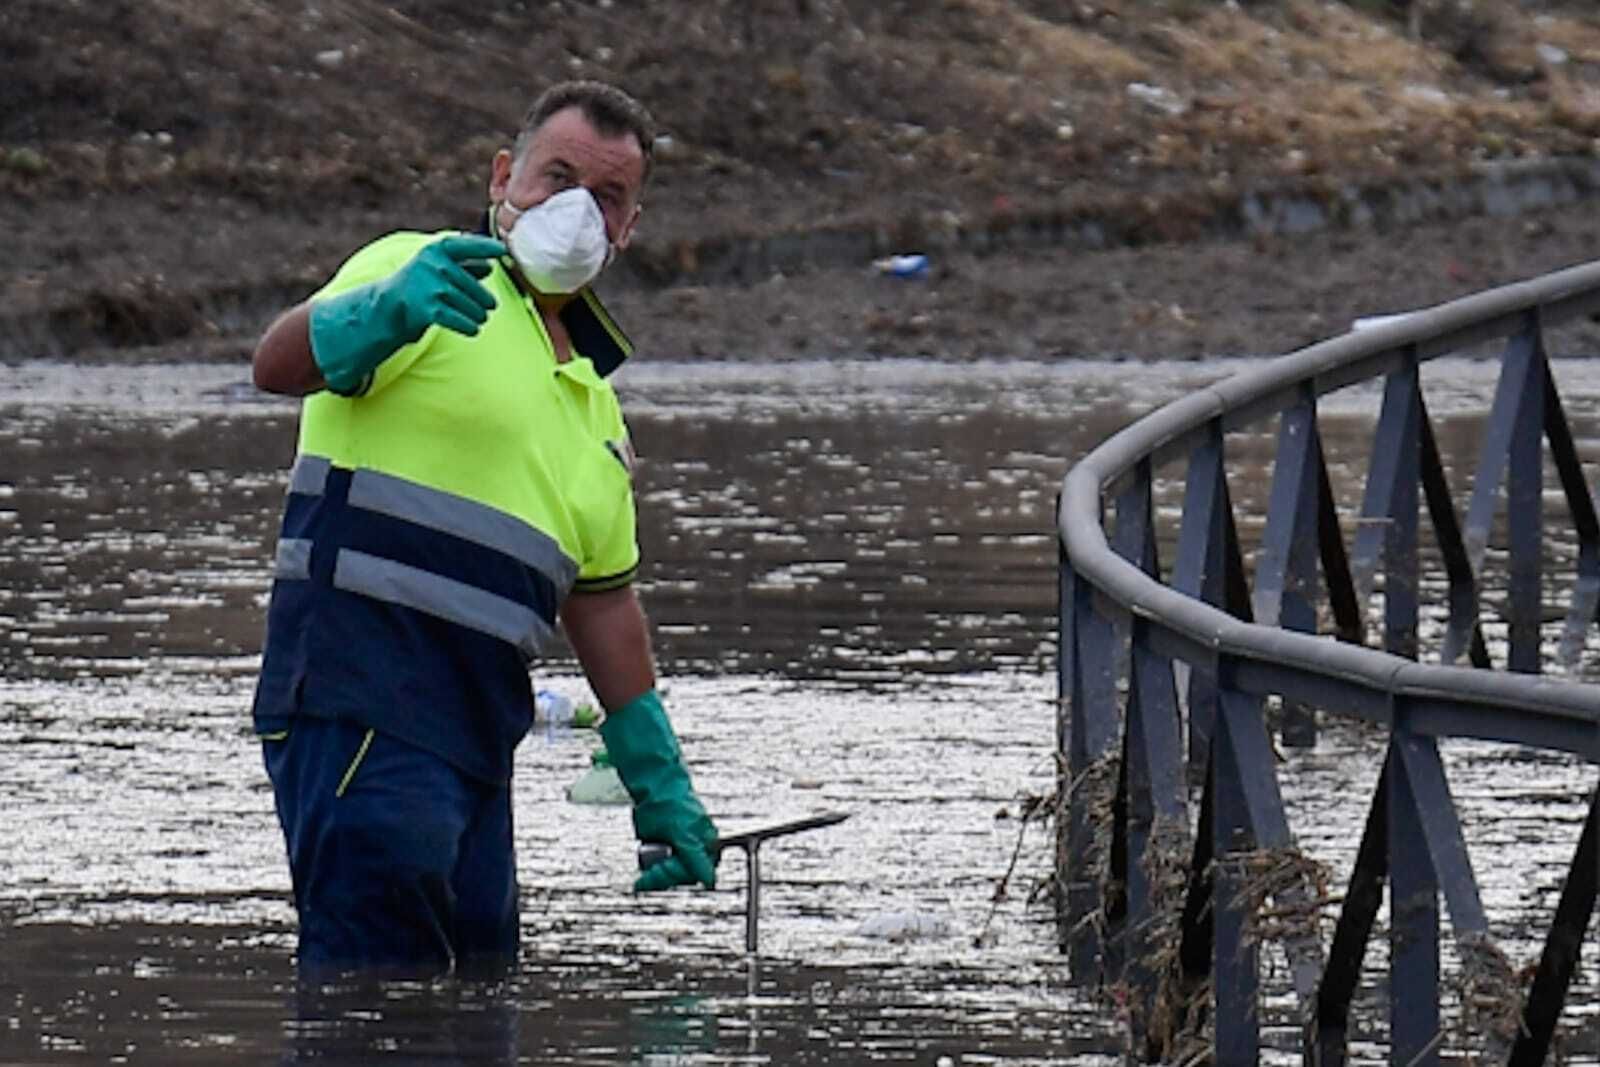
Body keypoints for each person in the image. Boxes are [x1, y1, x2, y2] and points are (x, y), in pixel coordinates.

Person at [248, 80, 718, 978]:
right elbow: (276, 363)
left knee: (478, 991)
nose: (577, 210)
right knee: (374, 999)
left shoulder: (593, 405)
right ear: (505, 176)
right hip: (360, 703)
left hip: (474, 739)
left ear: (629, 227)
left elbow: (604, 603)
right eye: (558, 178)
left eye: (608, 198)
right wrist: (382, 309)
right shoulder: (423, 274)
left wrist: (658, 776)